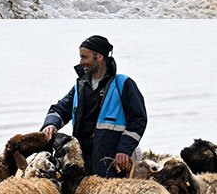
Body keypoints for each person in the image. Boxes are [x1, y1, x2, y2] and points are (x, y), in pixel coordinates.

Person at [41, 36, 147, 178]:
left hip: (111, 163)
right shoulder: (80, 86)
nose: (81, 62)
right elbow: (61, 109)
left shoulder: (123, 84)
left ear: (99, 56)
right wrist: (51, 125)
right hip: (84, 161)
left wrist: (124, 150)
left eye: (85, 57)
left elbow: (138, 120)